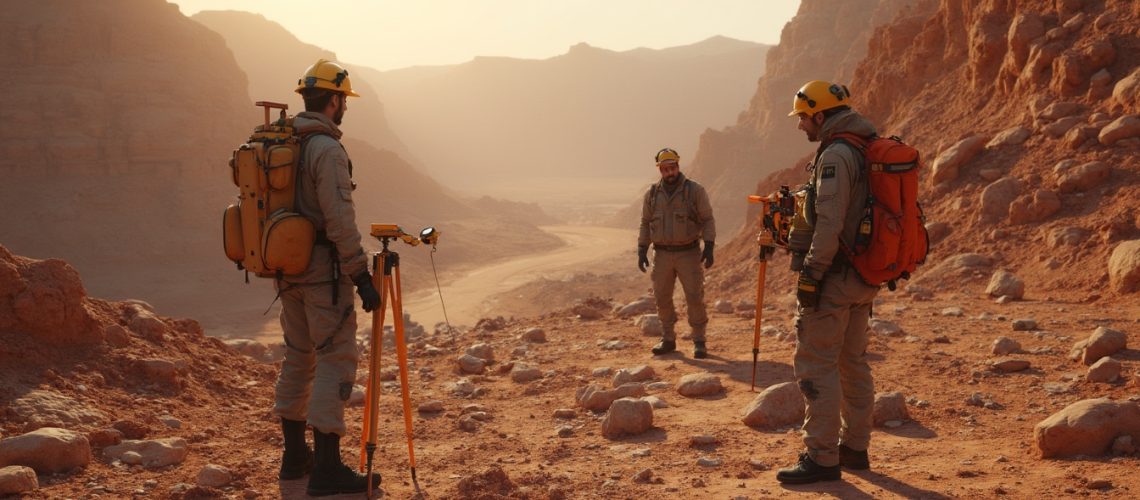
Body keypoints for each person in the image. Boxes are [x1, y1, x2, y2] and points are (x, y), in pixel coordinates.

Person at [273, 58, 382, 496]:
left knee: (299, 358)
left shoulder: (284, 143)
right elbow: (339, 222)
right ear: (335, 100)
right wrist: (361, 276)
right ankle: (329, 471)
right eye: (344, 100)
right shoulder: (326, 150)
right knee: (334, 360)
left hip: (287, 273)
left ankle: (295, 461)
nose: (345, 107)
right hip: (323, 277)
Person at [776, 81, 882, 484]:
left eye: (803, 117)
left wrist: (812, 274)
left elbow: (831, 221)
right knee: (851, 361)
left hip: (835, 277)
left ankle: (821, 457)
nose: (800, 125)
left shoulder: (836, 154)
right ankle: (855, 448)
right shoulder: (863, 145)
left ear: (820, 115)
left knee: (816, 363)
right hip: (862, 277)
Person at [637, 147, 716, 358]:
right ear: (660, 170)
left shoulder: (694, 191)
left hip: (688, 253)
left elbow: (707, 219)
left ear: (678, 167)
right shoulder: (652, 194)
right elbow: (645, 223)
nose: (669, 173)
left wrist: (709, 245)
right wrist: (642, 248)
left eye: (671, 168)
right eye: (664, 169)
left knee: (694, 297)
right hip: (661, 254)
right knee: (662, 298)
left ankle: (699, 340)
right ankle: (668, 339)